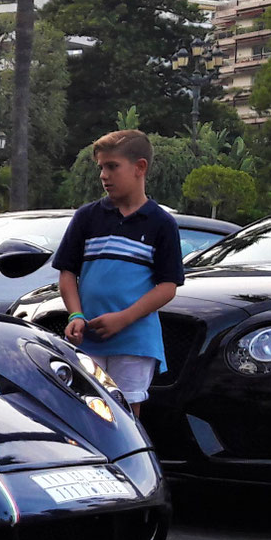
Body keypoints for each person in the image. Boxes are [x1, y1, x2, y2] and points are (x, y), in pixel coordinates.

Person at [52, 129, 184, 415]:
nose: (104, 175)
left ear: (140, 167)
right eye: (101, 167)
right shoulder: (87, 217)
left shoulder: (161, 223)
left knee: (125, 414)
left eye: (112, 166)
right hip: (88, 338)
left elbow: (168, 286)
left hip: (135, 340)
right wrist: (75, 315)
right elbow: (67, 273)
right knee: (86, 410)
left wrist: (124, 318)